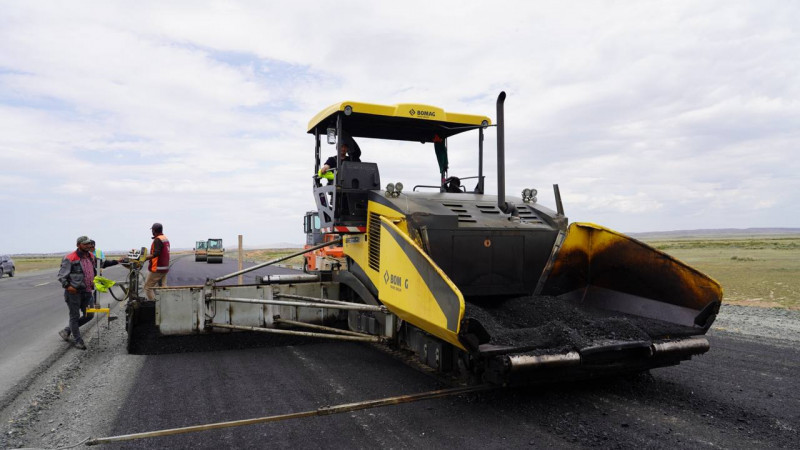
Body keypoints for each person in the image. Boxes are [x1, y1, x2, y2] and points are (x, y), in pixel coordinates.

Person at [57, 236, 123, 350]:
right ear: (78, 245)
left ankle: (67, 330)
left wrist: (118, 261)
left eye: (89, 243)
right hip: (74, 293)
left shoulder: (91, 256)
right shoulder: (70, 258)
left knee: (90, 315)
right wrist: (68, 286)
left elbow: (102, 263)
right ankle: (78, 341)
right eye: (85, 244)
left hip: (87, 292)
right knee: (74, 316)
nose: (88, 246)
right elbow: (61, 276)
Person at [143, 222, 170, 301]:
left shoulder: (158, 240)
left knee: (147, 288)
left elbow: (156, 253)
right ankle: (166, 304)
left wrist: (145, 258)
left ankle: (155, 306)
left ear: (154, 231)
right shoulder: (165, 238)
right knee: (163, 288)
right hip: (165, 268)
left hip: (158, 269)